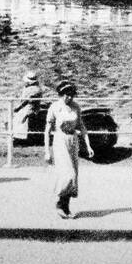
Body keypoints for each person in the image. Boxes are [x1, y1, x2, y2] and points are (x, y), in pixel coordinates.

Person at [45, 81, 95, 219]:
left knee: (74, 178)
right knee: (68, 174)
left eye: (71, 95)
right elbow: (47, 130)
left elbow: (82, 127)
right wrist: (47, 151)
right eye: (66, 95)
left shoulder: (76, 107)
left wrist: (88, 145)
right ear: (61, 95)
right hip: (60, 141)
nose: (69, 98)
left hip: (73, 141)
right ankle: (59, 203)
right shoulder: (55, 107)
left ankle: (66, 207)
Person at [11, 72, 45, 145]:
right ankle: (17, 136)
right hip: (31, 107)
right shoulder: (35, 88)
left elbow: (26, 101)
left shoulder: (33, 90)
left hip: (30, 108)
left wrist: (17, 108)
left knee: (19, 117)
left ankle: (19, 138)